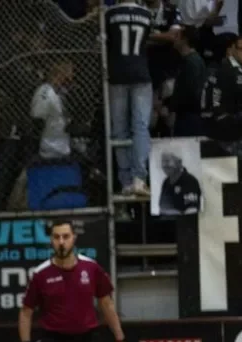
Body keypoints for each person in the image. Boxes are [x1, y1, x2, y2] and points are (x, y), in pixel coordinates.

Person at [105, 0, 155, 197]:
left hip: (116, 74)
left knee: (119, 128)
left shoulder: (109, 14)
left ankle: (125, 181)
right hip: (141, 73)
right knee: (141, 127)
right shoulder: (146, 14)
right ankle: (139, 179)